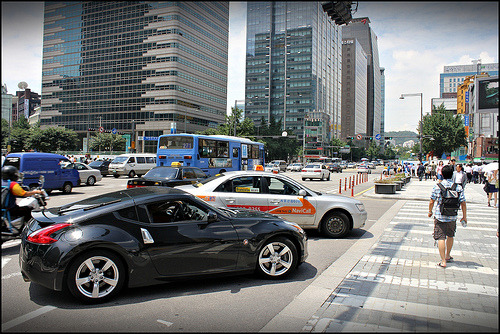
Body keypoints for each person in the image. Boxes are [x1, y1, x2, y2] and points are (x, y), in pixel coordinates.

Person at [428, 165, 467, 268]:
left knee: (441, 237)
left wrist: (430, 211)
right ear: (452, 174)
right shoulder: (458, 187)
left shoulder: (437, 186)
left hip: (440, 215)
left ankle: (443, 261)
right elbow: (463, 203)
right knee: (450, 235)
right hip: (452, 216)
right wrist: (464, 216)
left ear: (442, 174)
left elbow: (432, 201)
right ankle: (448, 255)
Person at [1, 165, 44, 231]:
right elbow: (24, 194)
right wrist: (36, 191)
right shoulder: (12, 184)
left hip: (3, 209)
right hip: (10, 209)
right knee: (29, 210)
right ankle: (28, 230)